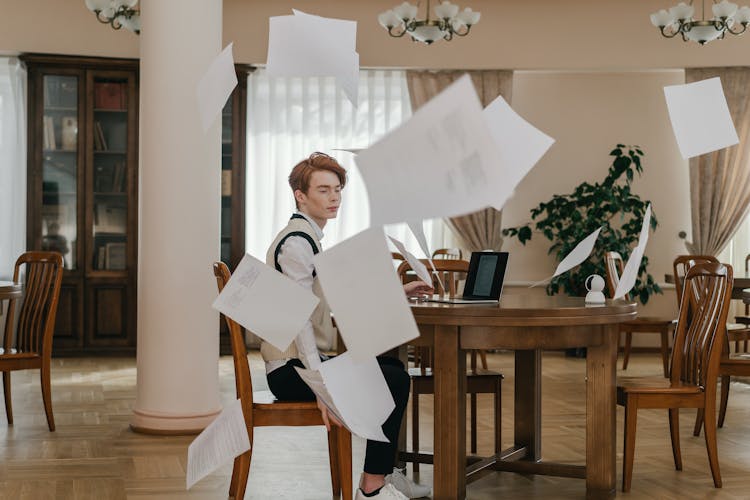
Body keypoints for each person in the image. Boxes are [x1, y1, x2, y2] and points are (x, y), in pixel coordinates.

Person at [262, 153, 432, 500]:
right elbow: (300, 325)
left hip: (301, 365)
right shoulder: (296, 243)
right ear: (301, 195)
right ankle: (372, 487)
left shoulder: (308, 238)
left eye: (337, 189)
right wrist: (322, 383)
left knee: (393, 369)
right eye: (323, 190)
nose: (334, 197)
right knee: (395, 379)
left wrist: (401, 290)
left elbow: (336, 301)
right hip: (290, 371)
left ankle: (381, 476)